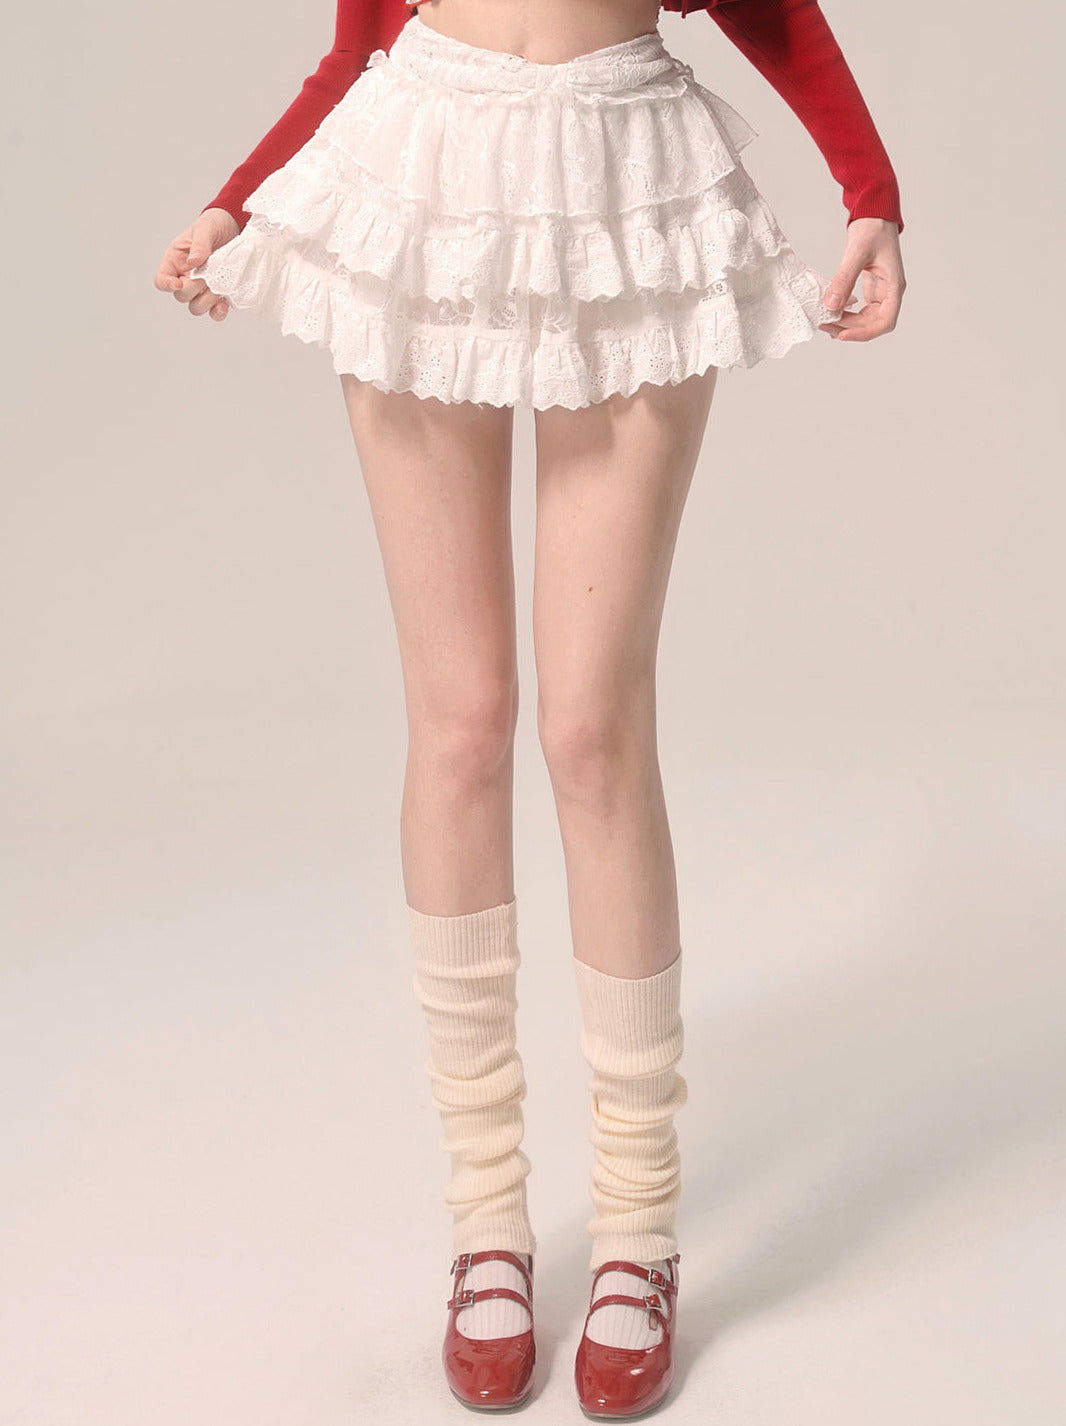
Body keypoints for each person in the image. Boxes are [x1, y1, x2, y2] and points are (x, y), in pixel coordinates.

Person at [153, 0, 905, 1415]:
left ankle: (635, 1232)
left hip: (625, 176)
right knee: (457, 726)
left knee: (591, 734)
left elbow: (774, 12)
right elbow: (358, 41)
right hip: (423, 167)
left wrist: (870, 193)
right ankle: (486, 1221)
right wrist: (232, 200)